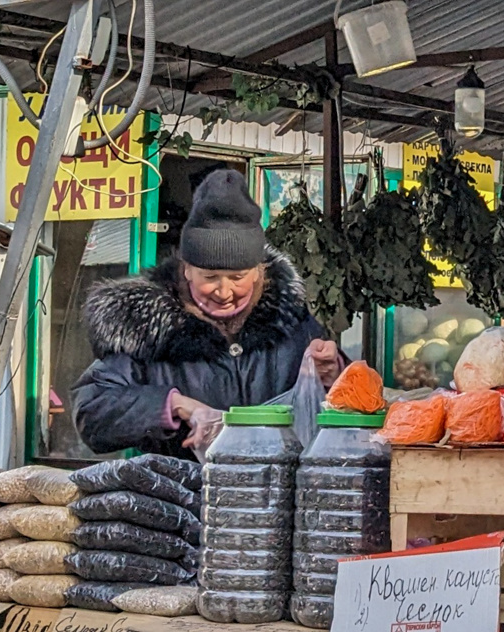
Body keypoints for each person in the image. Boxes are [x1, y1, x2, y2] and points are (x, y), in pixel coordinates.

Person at [72, 167, 341, 455]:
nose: (224, 292)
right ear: (186, 269)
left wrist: (333, 373)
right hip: (178, 494)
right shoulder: (144, 328)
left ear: (258, 271)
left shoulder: (293, 323)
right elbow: (91, 412)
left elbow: (333, 410)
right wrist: (173, 404)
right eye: (210, 277)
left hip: (275, 492)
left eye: (237, 278)